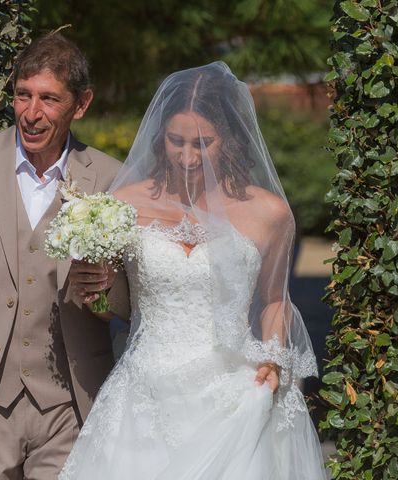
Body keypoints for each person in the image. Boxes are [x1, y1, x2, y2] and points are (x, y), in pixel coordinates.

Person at [59, 62, 328, 479]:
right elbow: (114, 308)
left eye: (202, 143)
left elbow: (275, 302)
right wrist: (92, 287)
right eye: (175, 141)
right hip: (143, 396)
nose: (186, 157)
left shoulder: (269, 214)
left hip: (231, 395)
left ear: (231, 139)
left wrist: (273, 362)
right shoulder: (123, 204)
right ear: (159, 136)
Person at [0, 32, 129, 479]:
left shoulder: (111, 179)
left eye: (49, 99)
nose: (31, 114)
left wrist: (109, 291)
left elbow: (133, 303)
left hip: (71, 407)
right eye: (22, 95)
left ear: (81, 104)